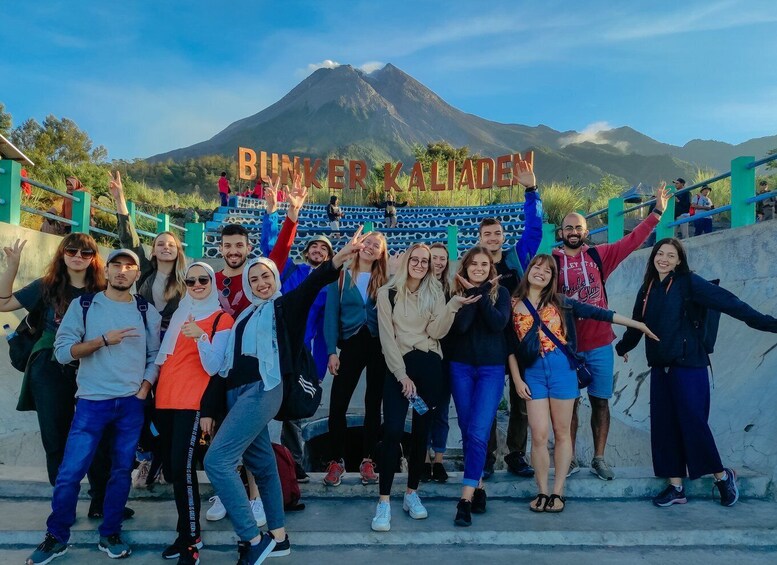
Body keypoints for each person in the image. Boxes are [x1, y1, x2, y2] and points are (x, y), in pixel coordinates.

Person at [203, 231, 363, 564]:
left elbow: (310, 286)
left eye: (267, 276)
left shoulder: (283, 307)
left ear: (276, 279)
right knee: (262, 465)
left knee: (216, 461)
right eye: (255, 278)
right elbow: (223, 368)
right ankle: (279, 537)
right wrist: (211, 408)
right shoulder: (241, 318)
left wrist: (338, 259)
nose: (261, 282)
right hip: (236, 394)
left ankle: (252, 537)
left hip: (264, 388)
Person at [615, 238, 777, 508]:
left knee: (693, 423)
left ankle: (722, 476)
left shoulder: (689, 282)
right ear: (653, 257)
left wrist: (770, 324)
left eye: (671, 255)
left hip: (690, 365)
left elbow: (730, 303)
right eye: (660, 254)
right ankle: (676, 487)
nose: (664, 259)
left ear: (679, 260)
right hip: (660, 367)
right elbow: (636, 324)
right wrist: (623, 347)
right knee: (664, 427)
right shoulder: (647, 288)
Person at [26, 249, 162, 564]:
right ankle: (57, 536)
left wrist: (145, 385)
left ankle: (110, 532)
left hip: (130, 405)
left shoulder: (146, 312)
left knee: (120, 472)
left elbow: (156, 355)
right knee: (70, 472)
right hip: (91, 403)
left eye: (129, 266)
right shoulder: (84, 306)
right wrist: (101, 340)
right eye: (116, 265)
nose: (122, 271)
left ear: (136, 274)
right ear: (107, 271)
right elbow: (62, 352)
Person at [507, 254, 657, 514]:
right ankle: (542, 490)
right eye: (536, 267)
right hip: (532, 374)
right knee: (539, 435)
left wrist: (639, 325)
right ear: (529, 270)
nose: (540, 272)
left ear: (553, 278)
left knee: (562, 432)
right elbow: (508, 347)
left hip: (562, 372)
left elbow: (601, 313)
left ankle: (558, 491)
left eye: (548, 270)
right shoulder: (511, 305)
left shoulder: (561, 303)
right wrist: (518, 379)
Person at [553, 183, 669, 479]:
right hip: (566, 345)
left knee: (600, 401)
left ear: (586, 231)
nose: (573, 232)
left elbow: (632, 241)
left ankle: (599, 457)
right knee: (570, 404)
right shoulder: (552, 262)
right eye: (568, 227)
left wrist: (656, 212)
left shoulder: (599, 256)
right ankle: (570, 458)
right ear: (561, 232)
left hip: (600, 342)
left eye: (578, 227)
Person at [206, 180, 301, 525]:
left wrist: (284, 216)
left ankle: (253, 504)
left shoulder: (255, 282)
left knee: (244, 442)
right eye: (227, 244)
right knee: (231, 437)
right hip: (221, 366)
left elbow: (278, 258)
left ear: (247, 248)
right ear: (221, 247)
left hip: (259, 375)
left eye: (238, 245)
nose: (233, 250)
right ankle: (229, 491)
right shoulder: (209, 281)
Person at [0, 235, 114, 518]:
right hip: (49, 367)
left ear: (93, 257)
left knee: (99, 434)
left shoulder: (103, 289)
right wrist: (12, 265)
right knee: (56, 437)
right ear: (62, 254)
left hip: (91, 366)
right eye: (71, 250)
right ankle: (64, 505)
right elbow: (3, 304)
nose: (78, 256)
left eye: (85, 252)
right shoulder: (46, 286)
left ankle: (100, 500)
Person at [372, 243, 478, 532]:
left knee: (422, 432)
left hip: (430, 366)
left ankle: (411, 493)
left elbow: (436, 332)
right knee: (393, 429)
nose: (419, 264)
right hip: (400, 368)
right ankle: (383, 501)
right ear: (406, 260)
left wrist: (453, 305)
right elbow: (387, 339)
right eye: (415, 259)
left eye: (425, 261)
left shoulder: (435, 292)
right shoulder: (388, 294)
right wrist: (401, 375)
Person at [154, 262, 234, 565]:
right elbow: (165, 358)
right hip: (165, 401)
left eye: (203, 280)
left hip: (192, 402)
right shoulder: (179, 313)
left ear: (212, 283)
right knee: (174, 472)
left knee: (183, 471)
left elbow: (216, 367)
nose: (197, 285)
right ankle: (186, 532)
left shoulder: (222, 318)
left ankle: (190, 542)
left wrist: (201, 336)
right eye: (191, 280)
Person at [261, 183, 335, 482]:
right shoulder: (289, 271)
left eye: (324, 249)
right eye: (314, 246)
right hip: (272, 346)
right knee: (262, 406)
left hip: (300, 353)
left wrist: (317, 370)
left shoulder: (329, 287)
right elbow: (271, 247)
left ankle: (292, 464)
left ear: (329, 258)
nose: (318, 250)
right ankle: (259, 466)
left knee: (292, 410)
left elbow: (322, 329)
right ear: (306, 253)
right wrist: (271, 212)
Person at [480, 160, 543, 479]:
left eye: (497, 233)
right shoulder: (474, 266)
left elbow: (535, 228)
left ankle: (516, 453)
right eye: (488, 234)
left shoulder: (517, 257)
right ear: (480, 239)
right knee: (489, 400)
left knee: (522, 398)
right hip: (490, 342)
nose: (493, 238)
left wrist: (531, 191)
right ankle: (487, 456)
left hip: (519, 338)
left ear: (503, 236)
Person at [447, 246, 510, 527]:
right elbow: (460, 327)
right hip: (460, 368)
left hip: (491, 371)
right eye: (474, 264)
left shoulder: (502, 294)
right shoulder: (456, 295)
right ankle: (479, 486)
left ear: (490, 268)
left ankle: (464, 500)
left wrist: (482, 293)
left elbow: (497, 324)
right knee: (466, 428)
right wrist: (470, 295)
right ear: (466, 267)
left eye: (484, 264)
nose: (479, 268)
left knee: (478, 430)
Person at [323, 231, 389, 487]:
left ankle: (368, 460)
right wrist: (331, 351)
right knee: (338, 402)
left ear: (381, 253)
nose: (370, 247)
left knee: (374, 404)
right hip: (350, 344)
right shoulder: (340, 276)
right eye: (368, 242)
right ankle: (336, 461)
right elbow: (331, 316)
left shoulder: (385, 279)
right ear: (359, 245)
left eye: (377, 246)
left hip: (378, 345)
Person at [109, 170, 187, 332]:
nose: (166, 247)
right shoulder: (144, 271)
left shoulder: (187, 280)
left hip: (174, 340)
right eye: (160, 244)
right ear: (153, 251)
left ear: (178, 251)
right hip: (143, 335)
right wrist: (119, 198)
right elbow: (129, 239)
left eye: (171, 245)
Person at [422, 243, 453, 483]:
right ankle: (422, 460)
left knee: (441, 411)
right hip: (423, 356)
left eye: (443, 258)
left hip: (447, 358)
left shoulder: (452, 289)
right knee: (422, 410)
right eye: (435, 258)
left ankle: (439, 461)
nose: (439, 262)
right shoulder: (418, 287)